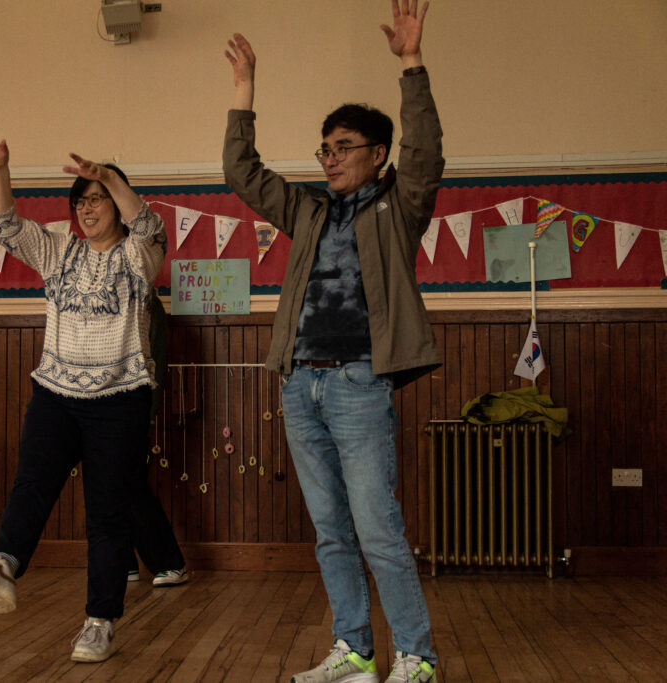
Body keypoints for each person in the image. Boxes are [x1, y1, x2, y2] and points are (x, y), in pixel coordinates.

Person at [223, 2, 443, 681]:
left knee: (377, 528)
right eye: (325, 149)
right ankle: (355, 651)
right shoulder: (308, 208)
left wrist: (411, 63)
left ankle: (417, 657)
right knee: (331, 531)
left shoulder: (398, 205)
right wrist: (244, 90)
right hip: (300, 382)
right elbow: (242, 172)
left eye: (342, 147)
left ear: (377, 154)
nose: (330, 159)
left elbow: (426, 151)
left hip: (359, 383)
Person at [0, 136, 167, 663]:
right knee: (33, 481)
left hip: (120, 399)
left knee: (107, 514)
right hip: (55, 393)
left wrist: (110, 176)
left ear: (117, 202)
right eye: (81, 201)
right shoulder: (58, 250)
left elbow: (148, 225)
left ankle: (99, 621)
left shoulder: (138, 256)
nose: (87, 209)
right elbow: (7, 227)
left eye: (98, 199)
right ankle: (4, 564)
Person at [127, 292, 188, 588]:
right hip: (96, 404)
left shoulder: (147, 302)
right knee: (103, 487)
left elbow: (156, 363)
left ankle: (169, 562)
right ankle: (123, 561)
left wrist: (147, 414)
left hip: (131, 407)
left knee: (131, 486)